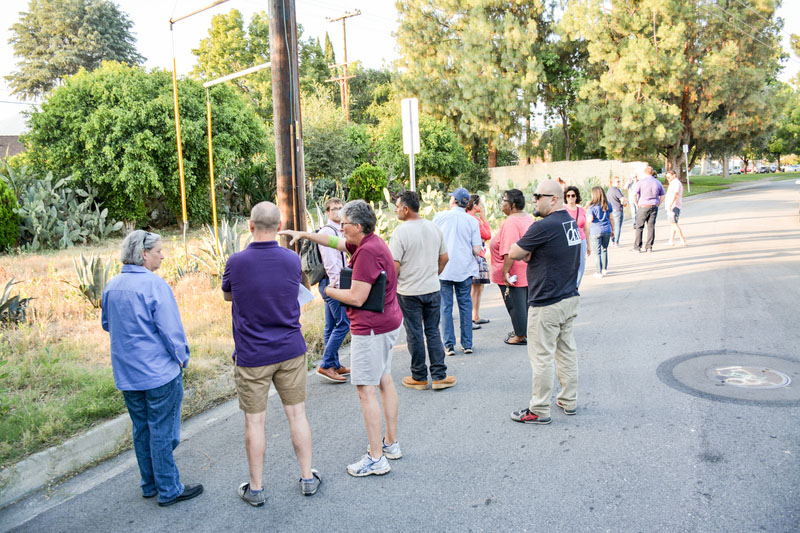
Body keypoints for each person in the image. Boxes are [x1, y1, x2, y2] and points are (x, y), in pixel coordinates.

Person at [280, 200, 404, 477]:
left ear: (357, 226)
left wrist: (329, 291)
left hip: (371, 328)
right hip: (387, 321)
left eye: (344, 223)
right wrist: (304, 235)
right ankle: (391, 444)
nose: (340, 226)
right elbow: (334, 241)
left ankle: (376, 458)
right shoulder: (368, 242)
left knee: (365, 389)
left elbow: (357, 297)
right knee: (384, 379)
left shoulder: (367, 253)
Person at [222, 202, 320, 507]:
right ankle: (307, 478)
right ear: (279, 227)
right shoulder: (291, 260)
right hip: (290, 349)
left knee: (255, 422)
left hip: (253, 354)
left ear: (250, 226)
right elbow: (297, 290)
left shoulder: (235, 262)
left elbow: (228, 295)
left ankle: (257, 488)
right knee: (297, 414)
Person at [101, 230, 203, 507]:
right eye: (158, 250)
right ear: (143, 253)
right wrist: (183, 357)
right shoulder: (155, 286)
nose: (162, 254)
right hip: (158, 372)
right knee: (162, 430)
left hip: (127, 373)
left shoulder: (112, 286)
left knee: (142, 429)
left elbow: (107, 324)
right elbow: (171, 331)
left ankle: (149, 484)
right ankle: (169, 488)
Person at [508, 179, 581, 425]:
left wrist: (525, 251)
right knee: (566, 352)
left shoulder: (544, 226)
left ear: (553, 199)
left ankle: (539, 410)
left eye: (538, 196)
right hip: (569, 297)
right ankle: (568, 400)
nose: (534, 200)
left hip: (547, 302)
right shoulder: (569, 222)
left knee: (541, 357)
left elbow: (515, 252)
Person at [390, 191, 456, 391]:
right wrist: (433, 273)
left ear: (406, 209)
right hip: (432, 288)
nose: (395, 210)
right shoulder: (434, 227)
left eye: (398, 206)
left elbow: (394, 265)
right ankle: (439, 376)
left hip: (408, 291)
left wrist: (393, 286)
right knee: (433, 331)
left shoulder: (400, 232)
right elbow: (444, 258)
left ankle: (419, 377)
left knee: (415, 333)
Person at [433, 187, 482, 356]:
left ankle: (449, 345)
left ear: (453, 200)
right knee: (465, 305)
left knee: (445, 307)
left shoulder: (439, 217)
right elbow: (477, 249)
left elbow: (433, 243)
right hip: (464, 269)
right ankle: (467, 344)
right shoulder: (472, 221)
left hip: (443, 268)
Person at [489, 188, 534, 346]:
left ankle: (520, 335)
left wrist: (505, 272)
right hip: (526, 269)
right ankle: (525, 331)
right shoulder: (527, 217)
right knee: (524, 304)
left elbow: (509, 250)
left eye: (504, 200)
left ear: (513, 204)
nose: (501, 203)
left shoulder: (511, 222)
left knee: (515, 305)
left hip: (513, 270)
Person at [317, 197, 351, 383]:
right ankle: (326, 363)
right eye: (334, 209)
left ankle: (335, 364)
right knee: (344, 324)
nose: (338, 211)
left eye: (340, 208)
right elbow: (331, 265)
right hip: (332, 284)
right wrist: (338, 287)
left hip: (331, 284)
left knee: (331, 326)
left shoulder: (340, 230)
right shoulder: (327, 232)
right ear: (327, 212)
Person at [466, 194, 491, 328]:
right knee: (477, 288)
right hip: (478, 256)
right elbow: (487, 234)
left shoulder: (466, 218)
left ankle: (474, 315)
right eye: (479, 204)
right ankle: (474, 315)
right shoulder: (474, 220)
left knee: (474, 287)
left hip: (470, 256)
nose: (481, 206)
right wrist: (483, 217)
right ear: (475, 206)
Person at [631, 166, 665, 252]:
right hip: (653, 206)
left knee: (639, 227)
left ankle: (637, 247)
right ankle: (649, 246)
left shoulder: (641, 183)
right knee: (651, 227)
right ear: (652, 172)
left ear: (645, 173)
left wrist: (636, 203)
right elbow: (663, 195)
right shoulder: (657, 182)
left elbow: (634, 194)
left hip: (643, 206)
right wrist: (658, 204)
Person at [563, 185, 589, 287]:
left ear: (576, 196)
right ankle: (568, 287)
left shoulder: (581, 209)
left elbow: (586, 228)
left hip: (580, 239)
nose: (570, 198)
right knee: (569, 266)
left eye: (573, 195)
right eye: (568, 196)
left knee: (581, 265)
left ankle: (575, 288)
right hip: (567, 241)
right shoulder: (563, 210)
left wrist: (588, 245)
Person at [586, 186, 613, 278]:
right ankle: (605, 269)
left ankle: (599, 272)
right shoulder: (608, 204)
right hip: (607, 229)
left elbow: (590, 219)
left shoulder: (591, 207)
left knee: (597, 252)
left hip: (596, 230)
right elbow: (611, 218)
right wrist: (612, 230)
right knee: (604, 249)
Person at [665, 171, 687, 247]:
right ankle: (671, 240)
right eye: (667, 177)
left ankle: (683, 240)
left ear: (674, 175)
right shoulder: (673, 183)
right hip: (672, 205)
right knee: (673, 224)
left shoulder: (676, 183)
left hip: (674, 206)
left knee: (674, 223)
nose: (668, 179)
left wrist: (671, 204)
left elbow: (675, 194)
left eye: (669, 177)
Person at [606, 176, 627, 247]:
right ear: (612, 183)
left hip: (611, 211)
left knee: (613, 227)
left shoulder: (609, 191)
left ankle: (613, 241)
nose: (619, 183)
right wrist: (625, 202)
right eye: (617, 181)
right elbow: (623, 199)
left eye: (619, 181)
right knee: (617, 227)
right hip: (617, 210)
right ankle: (616, 242)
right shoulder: (616, 190)